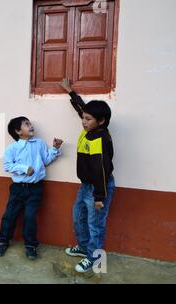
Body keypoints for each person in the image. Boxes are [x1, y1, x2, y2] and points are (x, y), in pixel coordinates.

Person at [58, 78, 115, 273]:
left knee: (95, 224)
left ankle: (94, 258)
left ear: (101, 121)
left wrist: (99, 197)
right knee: (78, 216)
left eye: (88, 119)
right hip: (86, 186)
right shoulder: (89, 127)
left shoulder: (100, 139)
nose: (83, 121)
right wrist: (70, 91)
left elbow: (102, 171)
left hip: (99, 187)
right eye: (83, 118)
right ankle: (83, 248)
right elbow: (82, 108)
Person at [0, 116, 63, 259]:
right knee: (10, 215)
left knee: (30, 217)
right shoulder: (12, 148)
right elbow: (7, 166)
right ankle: (2, 242)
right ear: (18, 131)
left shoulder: (39, 143)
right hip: (18, 188)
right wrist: (24, 168)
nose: (30, 126)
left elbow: (46, 160)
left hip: (35, 188)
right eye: (26, 124)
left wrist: (54, 149)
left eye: (30, 123)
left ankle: (30, 245)